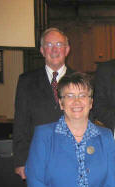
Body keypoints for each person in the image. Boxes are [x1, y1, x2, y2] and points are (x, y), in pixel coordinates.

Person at [25, 72, 115, 187]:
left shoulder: (106, 137)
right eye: (69, 96)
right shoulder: (44, 136)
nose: (77, 102)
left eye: (82, 95)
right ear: (61, 103)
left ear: (91, 102)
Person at [13, 27, 74, 179]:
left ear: (67, 50)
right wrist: (21, 161)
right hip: (37, 159)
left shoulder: (80, 80)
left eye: (59, 45)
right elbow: (21, 122)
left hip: (72, 158)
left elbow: (89, 121)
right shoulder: (26, 81)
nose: (54, 49)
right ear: (42, 50)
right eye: (49, 45)